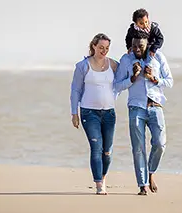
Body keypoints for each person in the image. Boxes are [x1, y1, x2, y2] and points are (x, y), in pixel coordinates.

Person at [114, 33, 173, 195]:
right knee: (138, 148)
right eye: (134, 46)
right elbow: (117, 86)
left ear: (147, 44)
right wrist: (132, 77)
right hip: (136, 107)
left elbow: (169, 81)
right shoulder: (126, 60)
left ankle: (151, 172)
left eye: (140, 46)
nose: (137, 49)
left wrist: (154, 78)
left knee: (160, 143)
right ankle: (142, 185)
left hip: (156, 106)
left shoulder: (158, 57)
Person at [70, 33, 118, 195]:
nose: (104, 51)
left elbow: (124, 80)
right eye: (100, 48)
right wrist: (74, 113)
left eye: (106, 48)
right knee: (96, 148)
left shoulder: (113, 65)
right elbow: (75, 90)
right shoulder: (83, 66)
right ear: (93, 47)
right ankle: (99, 185)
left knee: (107, 150)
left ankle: (103, 177)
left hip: (109, 113)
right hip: (89, 113)